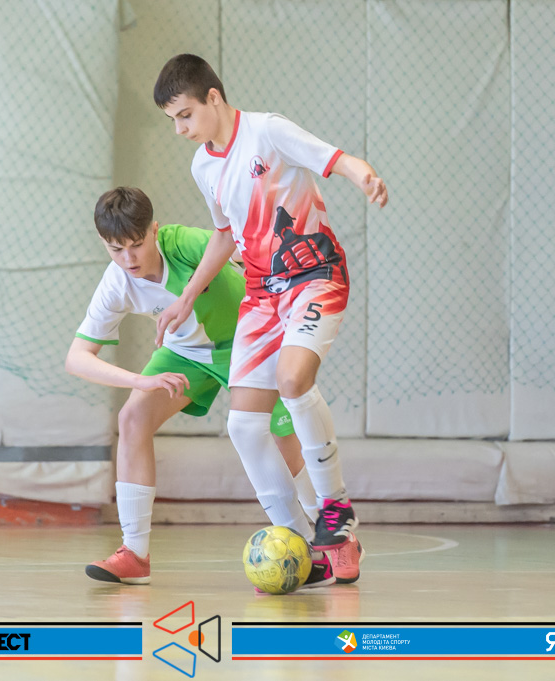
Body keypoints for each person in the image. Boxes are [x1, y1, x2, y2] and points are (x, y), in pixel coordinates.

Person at [152, 53, 389, 583]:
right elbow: (225, 235)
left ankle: (336, 511)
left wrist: (364, 175)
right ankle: (307, 550)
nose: (180, 129)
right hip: (262, 296)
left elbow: (334, 159)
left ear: (213, 97)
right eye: (172, 120)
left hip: (315, 274)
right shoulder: (203, 166)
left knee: (292, 379)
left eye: (185, 115)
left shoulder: (267, 131)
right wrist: (187, 296)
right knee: (242, 425)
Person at [67, 186, 333, 587]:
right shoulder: (116, 284)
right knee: (132, 418)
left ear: (154, 231)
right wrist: (141, 380)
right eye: (115, 249)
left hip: (247, 342)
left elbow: (238, 247)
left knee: (282, 439)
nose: (128, 259)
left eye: (137, 245)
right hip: (186, 354)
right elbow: (77, 358)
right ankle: (134, 553)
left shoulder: (183, 243)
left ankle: (328, 538)